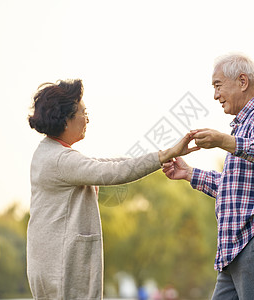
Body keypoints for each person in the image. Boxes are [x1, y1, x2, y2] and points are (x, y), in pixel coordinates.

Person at [26, 79, 199, 300]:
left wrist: (158, 159)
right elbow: (113, 172)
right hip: (61, 267)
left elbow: (108, 164)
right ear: (65, 120)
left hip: (52, 264)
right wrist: (163, 155)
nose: (87, 119)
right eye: (83, 112)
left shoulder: (51, 153)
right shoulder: (60, 159)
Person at [162, 53, 254, 299]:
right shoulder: (243, 126)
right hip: (235, 246)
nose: (215, 95)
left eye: (218, 85)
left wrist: (224, 141)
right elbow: (233, 188)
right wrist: (189, 173)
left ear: (242, 82)